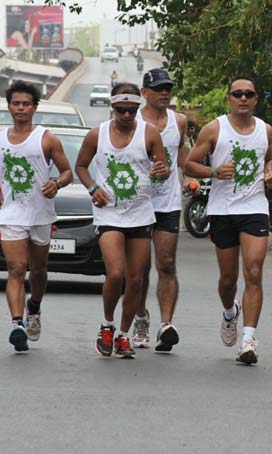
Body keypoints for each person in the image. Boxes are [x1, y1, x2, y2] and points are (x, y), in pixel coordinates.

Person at [185, 77, 272, 364]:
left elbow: (268, 161)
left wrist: (271, 175)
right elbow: (189, 164)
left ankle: (249, 339)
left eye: (249, 94)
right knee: (228, 280)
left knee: (254, 271)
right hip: (223, 210)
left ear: (256, 98)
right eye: (237, 94)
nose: (243, 98)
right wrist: (214, 172)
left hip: (254, 208)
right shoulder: (215, 129)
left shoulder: (265, 130)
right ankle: (229, 312)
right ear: (229, 98)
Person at [75, 83, 169, 359]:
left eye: (132, 109)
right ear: (112, 107)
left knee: (136, 280)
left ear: (138, 107)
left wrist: (161, 170)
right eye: (121, 110)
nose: (127, 115)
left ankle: (124, 334)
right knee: (115, 273)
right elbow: (81, 165)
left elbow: (162, 170)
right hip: (109, 213)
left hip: (140, 213)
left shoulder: (149, 133)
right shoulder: (97, 135)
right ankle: (107, 324)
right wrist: (93, 188)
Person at [0, 80, 73, 351]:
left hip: (40, 214)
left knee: (38, 270)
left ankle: (33, 307)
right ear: (9, 107)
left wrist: (56, 184)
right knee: (15, 269)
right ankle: (17, 325)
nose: (20, 108)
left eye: (26, 104)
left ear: (35, 107)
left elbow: (67, 172)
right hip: (11, 213)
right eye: (16, 104)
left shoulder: (47, 138)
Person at [130, 68, 190, 351]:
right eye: (158, 88)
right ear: (145, 93)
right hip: (138, 202)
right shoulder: (133, 120)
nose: (165, 93)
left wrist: (190, 176)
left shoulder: (179, 121)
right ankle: (141, 317)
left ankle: (167, 324)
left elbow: (182, 156)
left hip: (167, 202)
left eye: (168, 88)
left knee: (166, 263)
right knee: (139, 269)